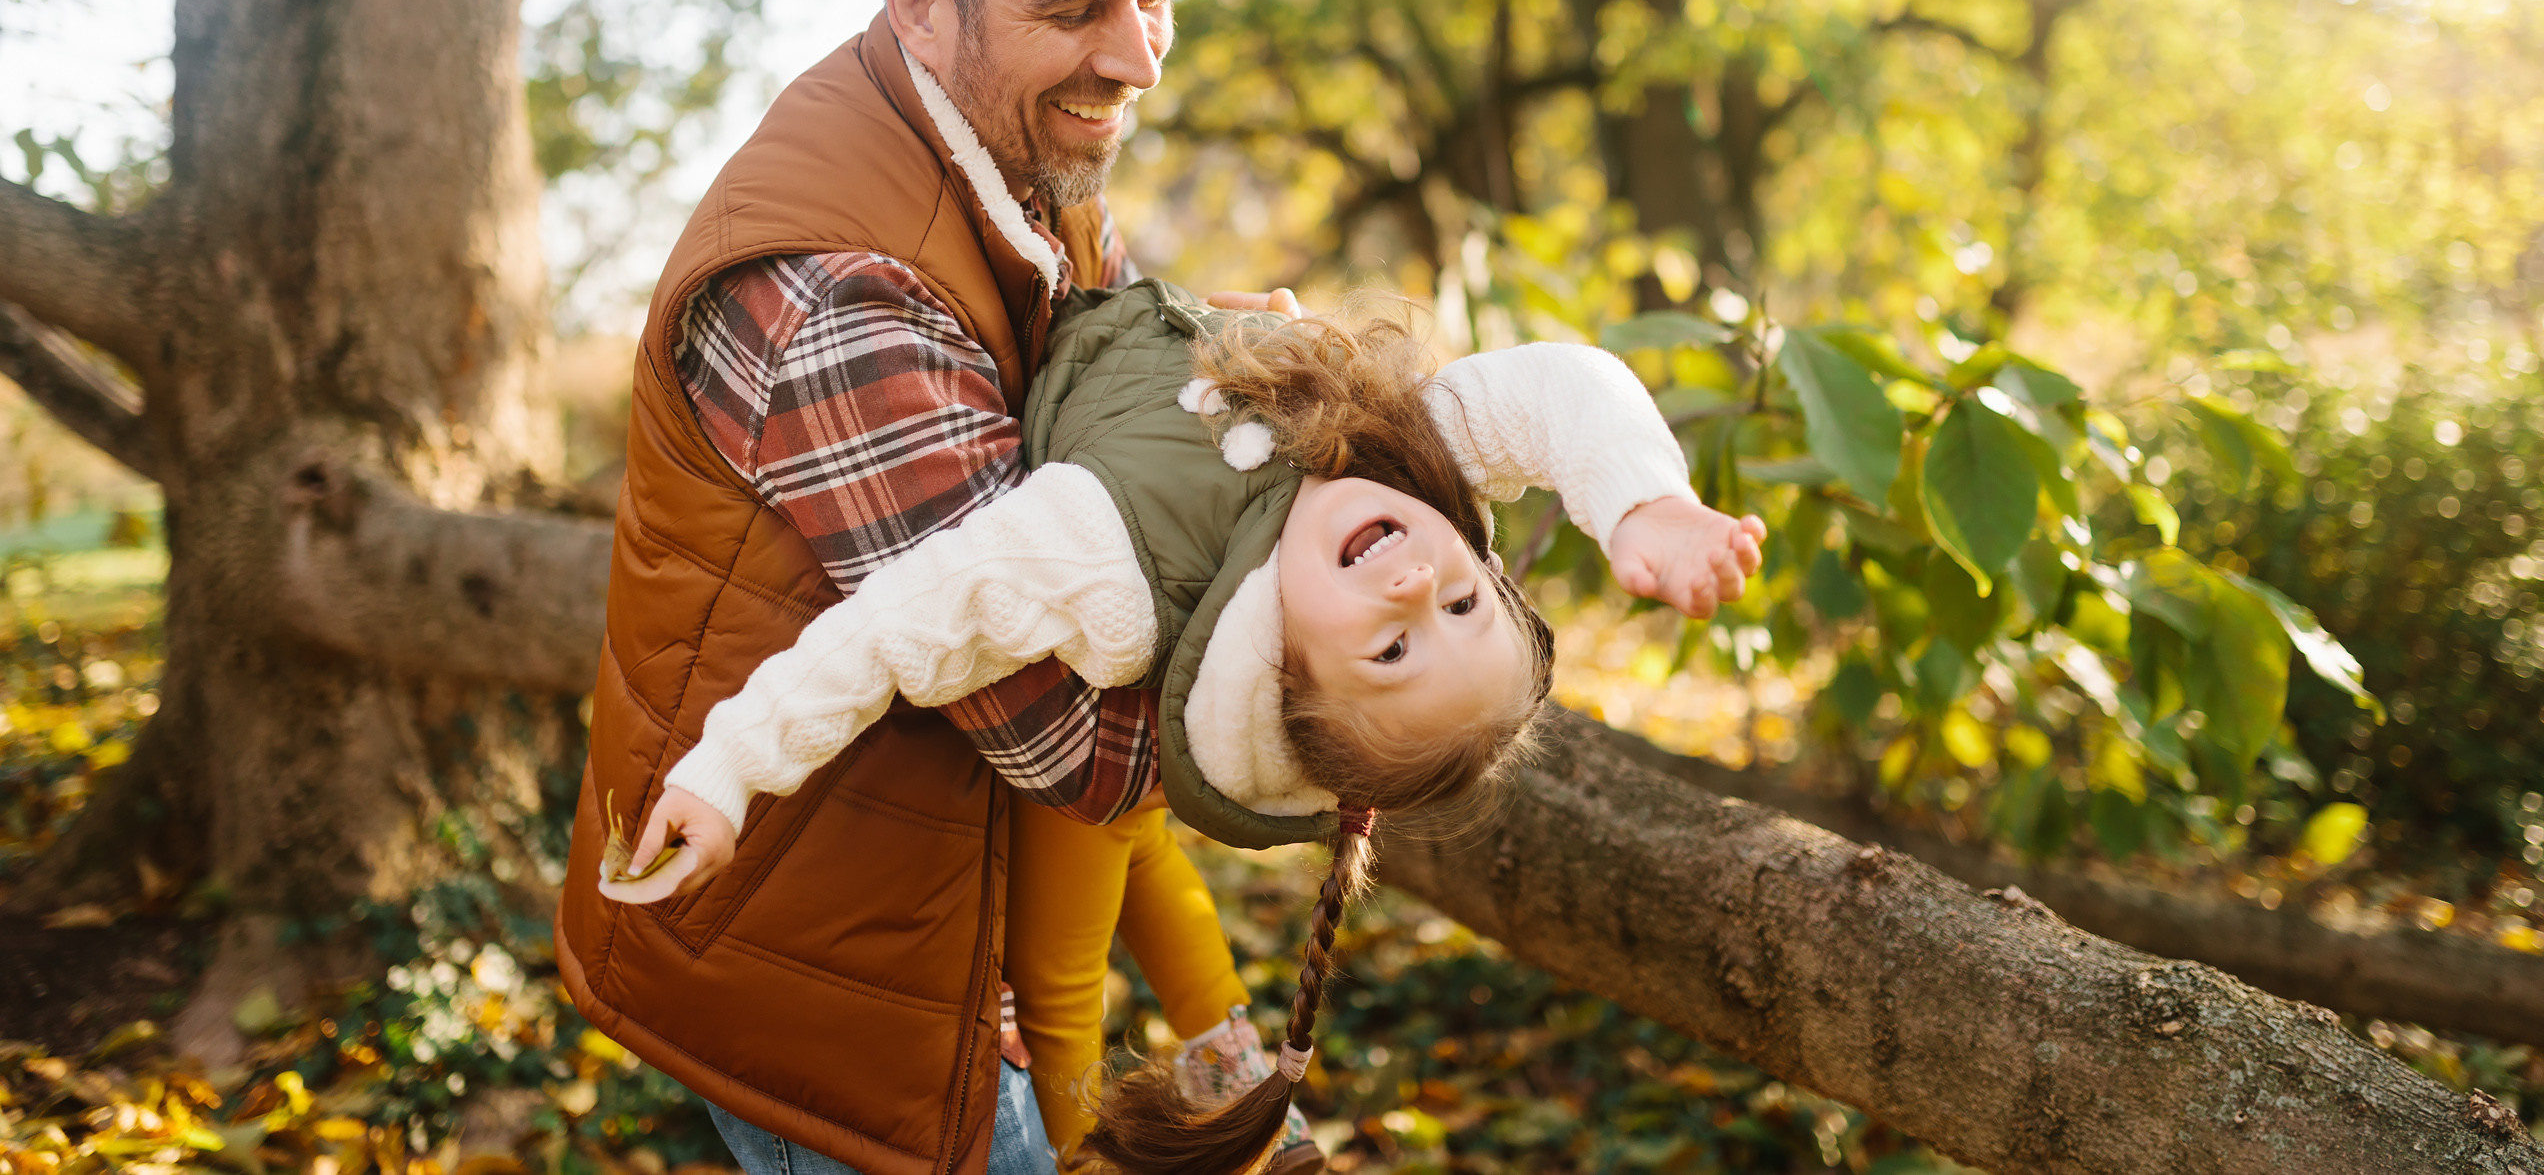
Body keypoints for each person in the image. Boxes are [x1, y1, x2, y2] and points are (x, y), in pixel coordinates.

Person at [603, 284, 1766, 1174]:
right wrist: (1640, 501)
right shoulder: (1408, 459)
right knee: (1155, 883)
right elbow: (1558, 392)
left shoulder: (1105, 566)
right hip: (1143, 315)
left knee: (1066, 958)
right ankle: (1239, 1081)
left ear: (1281, 680)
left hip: (1067, 568)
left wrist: (729, 772)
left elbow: (899, 625)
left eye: (1393, 649)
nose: (1419, 588)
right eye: (1465, 603)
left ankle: (1079, 1142)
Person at [559, 0, 1207, 1175]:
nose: (1139, 55)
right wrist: (1356, 685)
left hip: (940, 904)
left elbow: (1116, 425)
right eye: (1076, 11)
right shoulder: (841, 292)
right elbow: (1071, 741)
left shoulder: (1017, 158)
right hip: (828, 966)